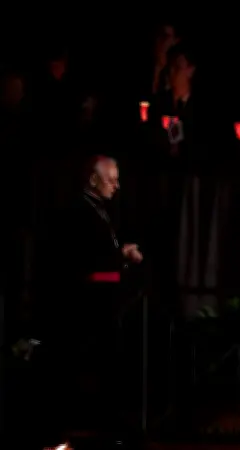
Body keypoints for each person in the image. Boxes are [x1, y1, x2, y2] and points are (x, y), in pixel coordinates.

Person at [39, 155, 143, 446]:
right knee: (82, 369)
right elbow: (83, 259)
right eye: (111, 180)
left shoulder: (98, 209)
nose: (117, 186)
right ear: (93, 180)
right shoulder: (79, 211)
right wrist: (121, 255)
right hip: (86, 306)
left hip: (102, 302)